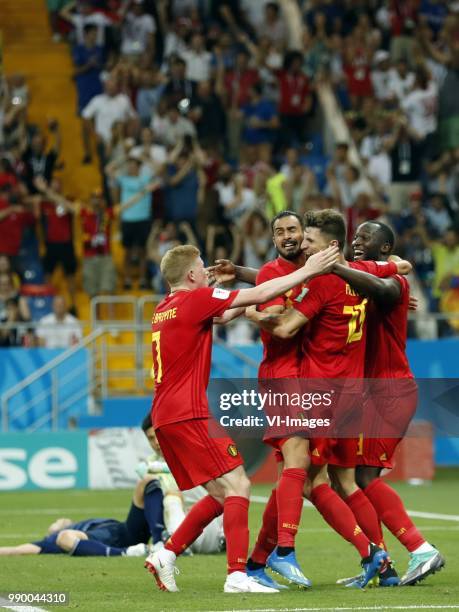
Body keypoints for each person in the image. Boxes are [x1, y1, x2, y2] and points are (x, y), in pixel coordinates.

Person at [144, 242, 339, 594]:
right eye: (202, 266)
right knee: (240, 486)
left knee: (222, 494)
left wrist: (246, 296)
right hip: (188, 414)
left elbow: (223, 314)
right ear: (191, 274)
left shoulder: (165, 308)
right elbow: (262, 291)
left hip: (165, 415)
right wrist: (310, 270)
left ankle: (166, 555)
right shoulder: (195, 299)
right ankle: (237, 575)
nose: (206, 271)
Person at [245, 210, 408, 588]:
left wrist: (247, 310)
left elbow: (284, 324)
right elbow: (392, 268)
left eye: (302, 236)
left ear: (326, 246)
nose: (298, 242)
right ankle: (375, 558)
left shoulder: (322, 280)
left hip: (308, 386)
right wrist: (397, 265)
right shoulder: (353, 273)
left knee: (305, 474)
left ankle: (277, 553)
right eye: (284, 233)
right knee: (318, 479)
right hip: (337, 392)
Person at [331, 220, 445, 586]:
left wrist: (339, 266)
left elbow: (385, 286)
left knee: (362, 477)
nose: (357, 241)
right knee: (353, 481)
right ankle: (383, 565)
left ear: (385, 249)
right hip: (371, 394)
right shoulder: (358, 281)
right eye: (355, 236)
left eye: (367, 237)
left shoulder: (390, 281)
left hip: (389, 392)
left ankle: (421, 549)